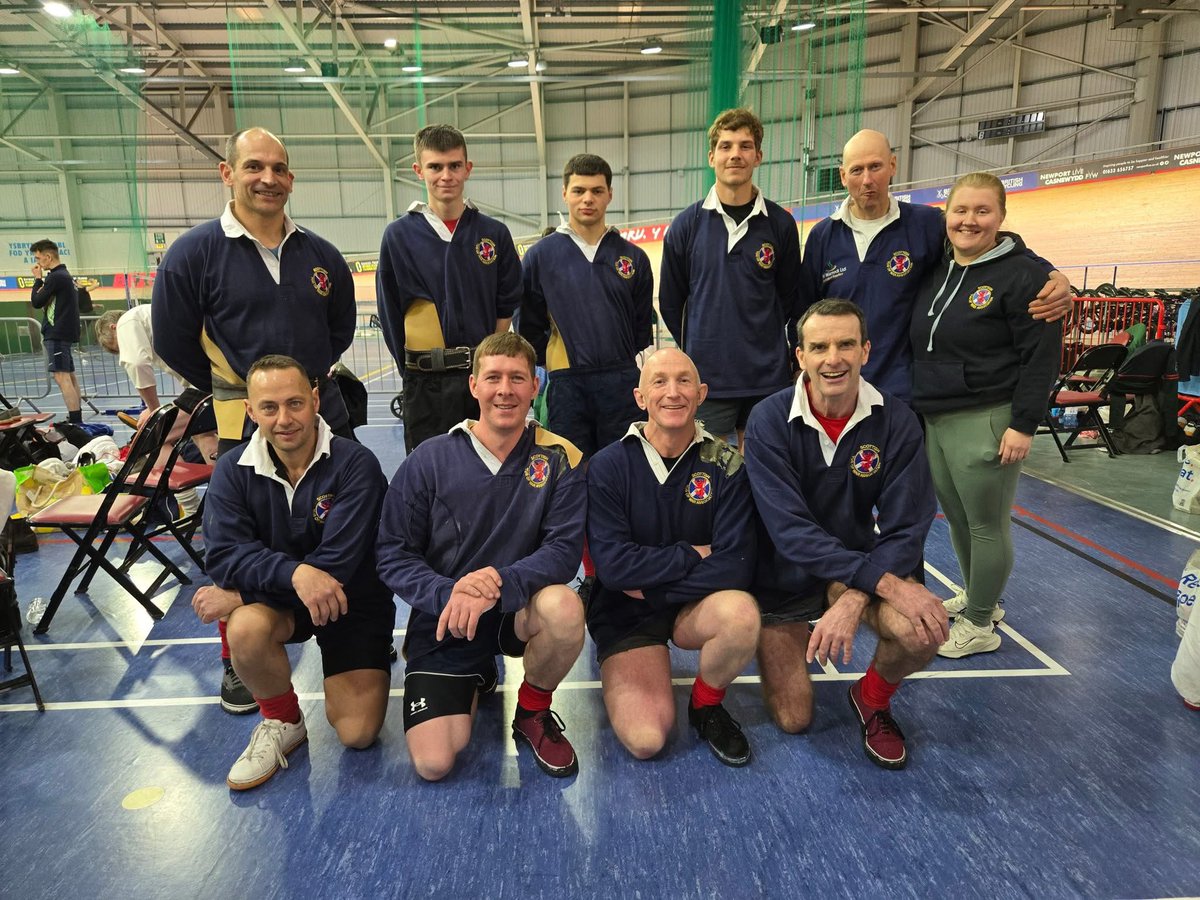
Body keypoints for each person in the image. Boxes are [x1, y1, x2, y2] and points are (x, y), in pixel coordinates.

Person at [151, 126, 357, 715]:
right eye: (254, 167)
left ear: (291, 178)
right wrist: (245, 390)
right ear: (228, 174)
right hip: (241, 417)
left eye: (278, 168)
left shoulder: (321, 255)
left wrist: (299, 390)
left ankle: (348, 625)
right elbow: (173, 340)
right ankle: (238, 657)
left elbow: (339, 329)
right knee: (236, 535)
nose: (268, 179)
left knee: (343, 520)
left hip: (322, 409)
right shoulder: (193, 253)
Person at [745, 299, 948, 769]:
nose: (832, 359)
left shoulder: (897, 419)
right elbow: (791, 532)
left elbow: (908, 524)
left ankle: (871, 698)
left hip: (857, 567)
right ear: (800, 356)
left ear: (865, 351)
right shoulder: (768, 419)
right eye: (819, 347)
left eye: (845, 345)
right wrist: (877, 583)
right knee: (794, 718)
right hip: (782, 575)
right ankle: (779, 634)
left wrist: (856, 596)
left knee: (923, 631)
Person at [377, 332, 586, 781]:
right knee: (434, 763)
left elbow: (563, 552)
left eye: (517, 378)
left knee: (565, 608)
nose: (504, 390)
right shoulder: (429, 459)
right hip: (449, 616)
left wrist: (496, 583)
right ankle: (476, 673)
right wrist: (447, 591)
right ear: (473, 385)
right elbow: (393, 552)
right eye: (493, 378)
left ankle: (532, 711)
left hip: (516, 611)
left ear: (535, 385)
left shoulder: (558, 458)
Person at [193, 354, 394, 791]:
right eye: (269, 407)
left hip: (351, 603)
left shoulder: (356, 464)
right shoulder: (232, 469)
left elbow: (338, 565)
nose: (284, 419)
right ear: (250, 410)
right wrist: (296, 575)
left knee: (358, 733)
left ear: (315, 400)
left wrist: (244, 594)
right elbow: (224, 557)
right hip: (288, 604)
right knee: (246, 629)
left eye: (295, 403)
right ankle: (283, 720)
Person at [909, 173, 1061, 658]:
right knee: (957, 517)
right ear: (946, 215)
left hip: (988, 416)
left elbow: (1042, 356)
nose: (969, 221)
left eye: (982, 211)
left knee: (986, 524)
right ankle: (981, 597)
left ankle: (978, 624)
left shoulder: (1024, 276)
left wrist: (1023, 424)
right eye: (960, 210)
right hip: (938, 415)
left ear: (1001, 217)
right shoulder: (940, 264)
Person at [800, 129, 1071, 400]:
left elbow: (991, 243)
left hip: (903, 394)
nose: (867, 179)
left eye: (875, 167)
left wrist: (1051, 273)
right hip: (840, 389)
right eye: (857, 170)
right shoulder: (822, 236)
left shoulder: (926, 223)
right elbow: (806, 312)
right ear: (843, 176)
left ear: (892, 165)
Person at [585, 348, 759, 767]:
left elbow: (736, 564)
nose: (673, 392)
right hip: (625, 611)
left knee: (741, 614)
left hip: (686, 605)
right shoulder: (608, 466)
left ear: (701, 393)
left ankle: (706, 705)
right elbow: (614, 569)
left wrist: (652, 590)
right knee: (646, 740)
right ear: (640, 397)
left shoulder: (727, 465)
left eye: (684, 381)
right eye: (659, 382)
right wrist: (691, 554)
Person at [658, 108, 802, 450]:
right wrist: (700, 350)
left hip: (767, 379)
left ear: (758, 156)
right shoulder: (686, 225)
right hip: (708, 381)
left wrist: (764, 341)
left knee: (763, 469)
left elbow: (791, 299)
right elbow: (671, 303)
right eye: (725, 146)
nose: (735, 154)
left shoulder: (780, 224)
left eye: (745, 146)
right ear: (712, 157)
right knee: (708, 471)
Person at [376, 124, 522, 453]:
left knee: (490, 466)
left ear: (467, 168)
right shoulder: (398, 236)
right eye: (435, 167)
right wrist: (414, 371)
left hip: (480, 381)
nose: (446, 176)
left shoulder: (494, 233)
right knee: (430, 473)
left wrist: (488, 365)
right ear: (419, 170)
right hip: (424, 385)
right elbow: (390, 312)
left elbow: (506, 304)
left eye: (454, 166)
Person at [518, 153, 653, 459]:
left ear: (610, 194)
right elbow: (528, 324)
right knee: (570, 468)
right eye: (579, 190)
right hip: (567, 385)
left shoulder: (634, 257)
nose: (587, 199)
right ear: (565, 193)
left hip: (621, 381)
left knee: (623, 466)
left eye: (596, 190)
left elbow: (640, 325)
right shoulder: (540, 257)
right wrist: (556, 364)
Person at [95, 306, 218, 465]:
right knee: (201, 432)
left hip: (204, 383)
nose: (125, 349)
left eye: (120, 346)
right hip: (215, 377)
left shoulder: (126, 322)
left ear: (114, 327)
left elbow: (136, 363)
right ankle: (220, 479)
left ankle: (182, 482)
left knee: (149, 438)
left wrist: (155, 412)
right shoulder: (151, 315)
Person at [28, 239, 82, 425]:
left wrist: (37, 279)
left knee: (61, 376)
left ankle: (75, 421)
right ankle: (76, 419)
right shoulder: (65, 276)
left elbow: (37, 301)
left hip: (57, 332)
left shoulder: (56, 277)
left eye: (38, 258)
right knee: (69, 376)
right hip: (64, 331)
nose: (37, 262)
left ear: (48, 257)